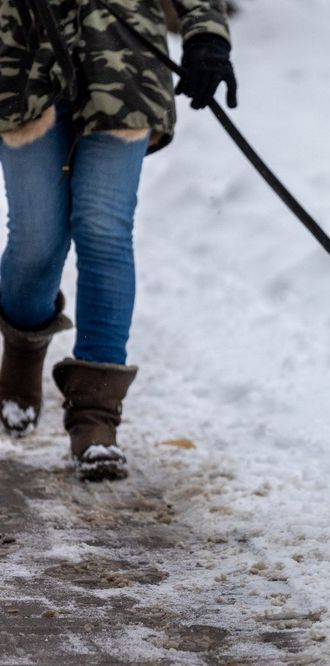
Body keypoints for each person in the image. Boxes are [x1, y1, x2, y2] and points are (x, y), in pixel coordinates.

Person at [0, 0, 237, 481]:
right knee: (36, 240)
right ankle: (23, 352)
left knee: (104, 230)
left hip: (123, 60)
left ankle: (96, 419)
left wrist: (205, 35)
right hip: (20, 62)